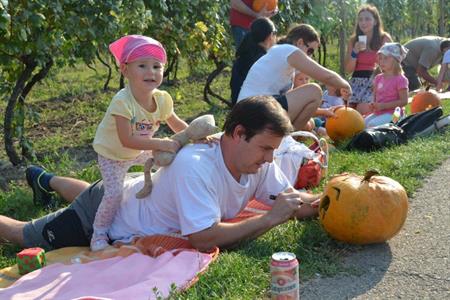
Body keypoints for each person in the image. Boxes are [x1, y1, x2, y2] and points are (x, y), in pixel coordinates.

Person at [1, 97, 321, 252]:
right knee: (22, 234)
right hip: (101, 219)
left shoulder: (257, 161)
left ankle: (45, 179)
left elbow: (291, 202)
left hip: (125, 192)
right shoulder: (196, 167)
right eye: (266, 148)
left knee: (106, 192)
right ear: (238, 133)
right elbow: (203, 237)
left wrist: (327, 200)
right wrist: (268, 219)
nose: (270, 159)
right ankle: (45, 182)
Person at [90, 35, 190, 251]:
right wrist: (161, 144)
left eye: (156, 66)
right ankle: (99, 233)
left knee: (171, 162)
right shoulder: (122, 101)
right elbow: (127, 140)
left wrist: (194, 135)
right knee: (114, 194)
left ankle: (157, 204)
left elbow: (175, 123)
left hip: (140, 149)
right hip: (114, 154)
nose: (151, 72)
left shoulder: (162, 99)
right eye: (142, 66)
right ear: (125, 70)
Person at [238, 23, 351, 131]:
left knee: (307, 123)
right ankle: (288, 139)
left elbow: (295, 106)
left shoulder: (281, 56)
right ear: (300, 42)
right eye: (310, 50)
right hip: (254, 111)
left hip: (249, 112)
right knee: (314, 91)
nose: (310, 56)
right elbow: (327, 77)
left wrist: (323, 111)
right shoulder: (288, 50)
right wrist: (345, 85)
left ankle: (286, 139)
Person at [344, 4, 392, 115]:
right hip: (356, 80)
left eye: (367, 19)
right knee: (349, 113)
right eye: (360, 19)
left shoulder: (384, 38)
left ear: (375, 21)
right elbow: (348, 69)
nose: (363, 22)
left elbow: (393, 64)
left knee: (363, 110)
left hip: (375, 80)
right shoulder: (353, 40)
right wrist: (355, 52)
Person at [230, 17, 277, 105]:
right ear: (270, 36)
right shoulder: (263, 60)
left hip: (237, 106)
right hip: (253, 108)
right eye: (275, 33)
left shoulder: (243, 55)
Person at [365, 43, 409, 128]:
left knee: (372, 125)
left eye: (385, 58)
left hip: (396, 114)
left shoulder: (400, 79)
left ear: (396, 60)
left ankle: (396, 126)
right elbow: (375, 96)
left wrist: (384, 106)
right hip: (380, 112)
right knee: (363, 123)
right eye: (380, 59)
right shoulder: (378, 78)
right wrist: (372, 104)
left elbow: (404, 101)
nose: (381, 61)